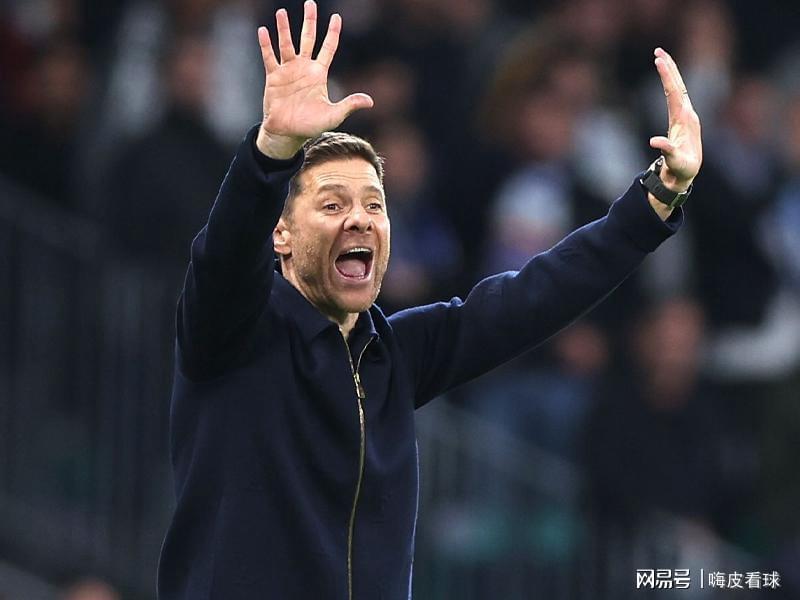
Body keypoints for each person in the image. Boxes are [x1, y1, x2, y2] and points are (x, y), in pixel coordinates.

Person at [157, 2, 702, 598]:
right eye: (333, 205)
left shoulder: (394, 354)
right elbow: (223, 259)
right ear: (280, 236)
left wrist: (657, 198)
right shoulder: (231, 336)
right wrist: (270, 153)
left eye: (374, 205)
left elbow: (535, 296)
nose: (360, 220)